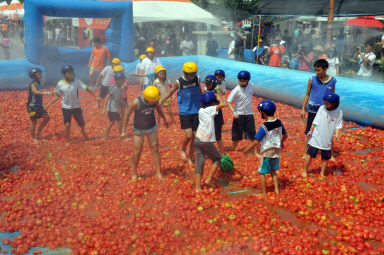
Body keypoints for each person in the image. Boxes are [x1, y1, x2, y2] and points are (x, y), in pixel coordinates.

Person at [121, 86, 169, 180]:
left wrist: (164, 119)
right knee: (137, 151)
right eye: (153, 101)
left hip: (151, 127)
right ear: (147, 98)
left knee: (155, 148)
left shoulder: (154, 100)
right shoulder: (136, 102)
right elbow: (127, 114)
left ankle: (158, 172)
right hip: (139, 129)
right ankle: (134, 173)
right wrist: (123, 130)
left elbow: (158, 108)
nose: (155, 102)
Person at [159, 62, 201, 164]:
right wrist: (161, 101)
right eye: (189, 74)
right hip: (185, 111)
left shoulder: (197, 79)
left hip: (196, 111)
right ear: (185, 73)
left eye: (193, 74)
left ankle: (191, 156)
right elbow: (170, 92)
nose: (191, 76)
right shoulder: (179, 82)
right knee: (188, 135)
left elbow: (200, 91)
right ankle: (182, 149)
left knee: (195, 137)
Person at [243, 100, 287, 196]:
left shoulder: (264, 126)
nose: (260, 114)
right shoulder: (279, 122)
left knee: (261, 172)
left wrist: (247, 149)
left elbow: (256, 140)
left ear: (264, 112)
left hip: (267, 151)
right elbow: (285, 134)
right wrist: (282, 142)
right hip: (276, 151)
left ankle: (263, 193)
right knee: (273, 171)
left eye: (261, 112)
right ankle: (276, 190)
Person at [45, 65, 97, 145]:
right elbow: (58, 96)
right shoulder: (60, 83)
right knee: (67, 124)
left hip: (76, 106)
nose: (71, 74)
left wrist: (95, 96)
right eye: (69, 73)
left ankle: (83, 132)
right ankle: (67, 140)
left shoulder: (77, 81)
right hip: (66, 107)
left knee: (82, 124)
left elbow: (87, 89)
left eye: (72, 72)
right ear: (64, 74)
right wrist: (48, 104)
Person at [301, 59, 336, 157]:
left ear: (325, 69)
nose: (316, 72)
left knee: (327, 130)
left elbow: (332, 96)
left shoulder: (332, 81)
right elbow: (307, 94)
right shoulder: (312, 79)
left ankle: (329, 153)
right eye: (315, 70)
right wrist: (303, 108)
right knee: (309, 130)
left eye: (319, 70)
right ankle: (305, 152)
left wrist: (333, 109)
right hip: (313, 109)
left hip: (326, 110)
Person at [303, 93, 342, 178]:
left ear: (334, 104)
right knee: (310, 154)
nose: (325, 104)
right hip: (316, 136)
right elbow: (315, 121)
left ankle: (322, 173)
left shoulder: (339, 112)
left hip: (327, 139)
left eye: (327, 103)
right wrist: (310, 131)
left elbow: (338, 125)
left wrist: (337, 134)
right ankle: (304, 170)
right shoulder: (322, 108)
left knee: (325, 158)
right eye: (324, 102)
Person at [194, 91, 227, 192]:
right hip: (206, 141)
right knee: (217, 159)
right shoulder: (210, 109)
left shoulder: (200, 110)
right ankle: (208, 179)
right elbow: (223, 104)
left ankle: (197, 188)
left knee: (199, 163)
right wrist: (218, 97)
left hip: (197, 139)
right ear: (213, 102)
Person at [227, 71, 255, 151]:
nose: (242, 82)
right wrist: (234, 112)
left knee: (252, 133)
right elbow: (228, 101)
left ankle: (255, 151)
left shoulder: (251, 86)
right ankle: (234, 149)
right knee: (236, 134)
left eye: (244, 80)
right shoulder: (236, 90)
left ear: (248, 80)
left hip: (249, 114)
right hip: (239, 114)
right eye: (240, 80)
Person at [27, 68, 51, 143]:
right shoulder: (33, 84)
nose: (40, 75)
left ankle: (38, 132)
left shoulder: (38, 83)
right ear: (34, 76)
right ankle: (33, 137)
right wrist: (46, 93)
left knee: (47, 118)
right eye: (38, 74)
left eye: (41, 74)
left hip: (39, 106)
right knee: (34, 121)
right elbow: (34, 91)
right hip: (32, 107)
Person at [203, 75, 224, 155]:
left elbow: (217, 107)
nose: (207, 85)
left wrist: (211, 117)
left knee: (218, 137)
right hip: (210, 117)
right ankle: (209, 152)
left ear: (214, 84)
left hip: (216, 118)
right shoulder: (206, 92)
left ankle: (222, 153)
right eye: (206, 84)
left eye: (209, 84)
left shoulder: (215, 94)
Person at [103, 72, 126, 139]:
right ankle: (122, 136)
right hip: (112, 108)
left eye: (122, 79)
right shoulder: (113, 87)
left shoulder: (120, 87)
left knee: (112, 122)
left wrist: (125, 105)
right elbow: (107, 97)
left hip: (114, 108)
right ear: (116, 80)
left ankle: (105, 136)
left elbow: (120, 98)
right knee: (119, 122)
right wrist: (104, 108)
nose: (121, 81)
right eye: (120, 79)